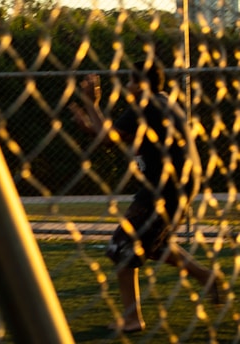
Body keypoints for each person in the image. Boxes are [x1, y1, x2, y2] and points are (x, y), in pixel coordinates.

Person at [68, 61, 223, 333]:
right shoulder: (160, 103)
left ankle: (132, 319)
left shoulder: (146, 105)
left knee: (121, 247)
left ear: (141, 84)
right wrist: (89, 125)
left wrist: (93, 104)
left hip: (164, 190)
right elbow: (117, 136)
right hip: (173, 186)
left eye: (129, 81)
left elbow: (109, 138)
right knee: (154, 246)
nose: (127, 87)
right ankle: (206, 276)